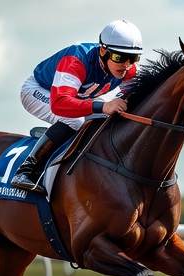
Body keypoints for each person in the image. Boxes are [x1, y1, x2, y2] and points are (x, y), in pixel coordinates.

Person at [11, 20, 142, 193]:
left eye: (133, 58)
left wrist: (115, 104)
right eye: (119, 57)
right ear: (103, 51)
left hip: (74, 96)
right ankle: (26, 170)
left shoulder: (128, 70)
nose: (125, 65)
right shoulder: (76, 60)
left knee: (108, 119)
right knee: (75, 121)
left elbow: (130, 96)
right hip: (39, 91)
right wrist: (103, 106)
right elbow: (60, 104)